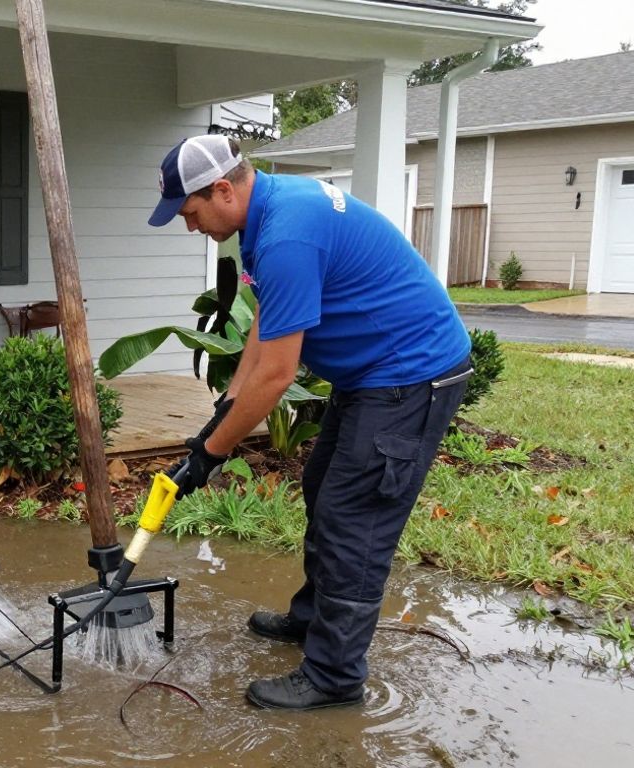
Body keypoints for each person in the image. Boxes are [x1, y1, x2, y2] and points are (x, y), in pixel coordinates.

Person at [148, 134, 473, 710]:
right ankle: (314, 619)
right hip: (375, 375)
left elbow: (277, 375)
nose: (190, 226)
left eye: (191, 212)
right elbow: (267, 321)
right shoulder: (268, 213)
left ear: (223, 189)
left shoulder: (286, 234)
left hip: (410, 377)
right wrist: (227, 407)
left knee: (354, 519)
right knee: (325, 487)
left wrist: (210, 455)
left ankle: (335, 676)